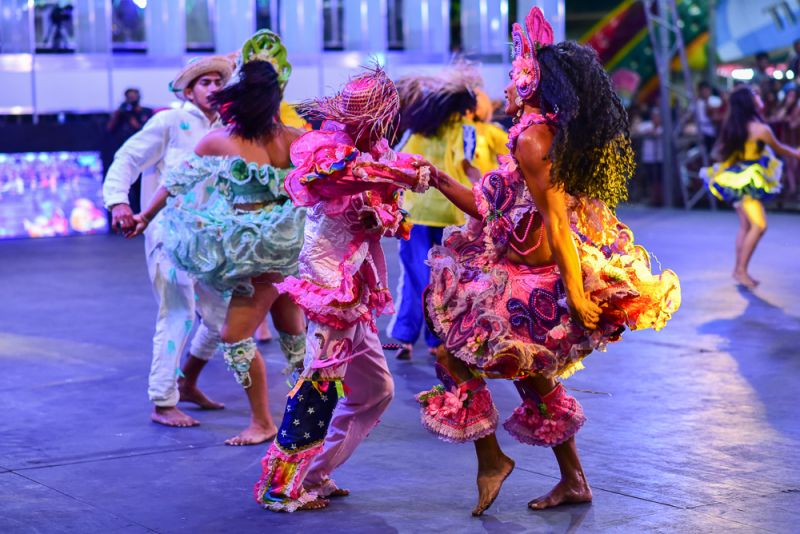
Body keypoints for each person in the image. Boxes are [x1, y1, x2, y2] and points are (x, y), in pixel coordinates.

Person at [415, 7, 681, 515]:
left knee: (454, 356)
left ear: (530, 82)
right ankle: (573, 480)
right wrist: (439, 178)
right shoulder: (529, 136)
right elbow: (493, 206)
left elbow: (557, 222)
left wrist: (577, 294)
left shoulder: (534, 140)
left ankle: (493, 460)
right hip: (513, 270)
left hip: (531, 283)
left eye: (512, 81)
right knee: (527, 374)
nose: (504, 93)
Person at [253, 66, 431, 512]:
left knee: (375, 390)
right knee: (320, 383)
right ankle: (280, 485)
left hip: (358, 291)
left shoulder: (380, 152)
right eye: (352, 110)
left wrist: (385, 218)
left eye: (364, 112)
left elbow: (394, 216)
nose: (356, 118)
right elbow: (332, 179)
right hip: (328, 285)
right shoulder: (326, 147)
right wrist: (398, 175)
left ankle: (315, 473)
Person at [129, 31, 307, 446]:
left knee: (234, 335)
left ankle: (264, 421)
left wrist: (144, 216)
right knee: (293, 331)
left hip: (254, 253)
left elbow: (175, 184)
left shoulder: (224, 140)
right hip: (290, 247)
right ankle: (311, 415)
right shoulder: (294, 141)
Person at [103, 56, 233, 428]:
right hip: (168, 234)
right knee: (177, 311)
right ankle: (163, 401)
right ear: (189, 90)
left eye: (217, 82)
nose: (213, 88)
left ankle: (187, 381)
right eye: (204, 82)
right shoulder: (169, 121)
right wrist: (118, 202)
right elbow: (126, 158)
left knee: (223, 319)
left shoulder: (228, 129)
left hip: (214, 239)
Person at [388, 66, 508, 360]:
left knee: (416, 276)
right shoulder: (462, 131)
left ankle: (407, 336)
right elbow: (469, 167)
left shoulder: (420, 130)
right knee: (440, 280)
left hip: (418, 214)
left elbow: (397, 160)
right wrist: (486, 193)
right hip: (446, 215)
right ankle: (434, 338)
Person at [703, 86, 800, 289]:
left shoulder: (736, 125)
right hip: (747, 181)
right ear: (749, 102)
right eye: (755, 94)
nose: (759, 96)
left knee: (746, 226)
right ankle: (740, 271)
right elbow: (781, 149)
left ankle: (739, 269)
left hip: (734, 177)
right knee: (759, 225)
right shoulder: (760, 129)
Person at [104, 89, 155, 213]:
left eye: (134, 96)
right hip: (126, 154)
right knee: (126, 187)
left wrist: (133, 117)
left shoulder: (146, 112)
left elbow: (146, 131)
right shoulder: (122, 113)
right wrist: (119, 113)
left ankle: (144, 214)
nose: (132, 100)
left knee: (144, 188)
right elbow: (109, 129)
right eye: (129, 97)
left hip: (145, 155)